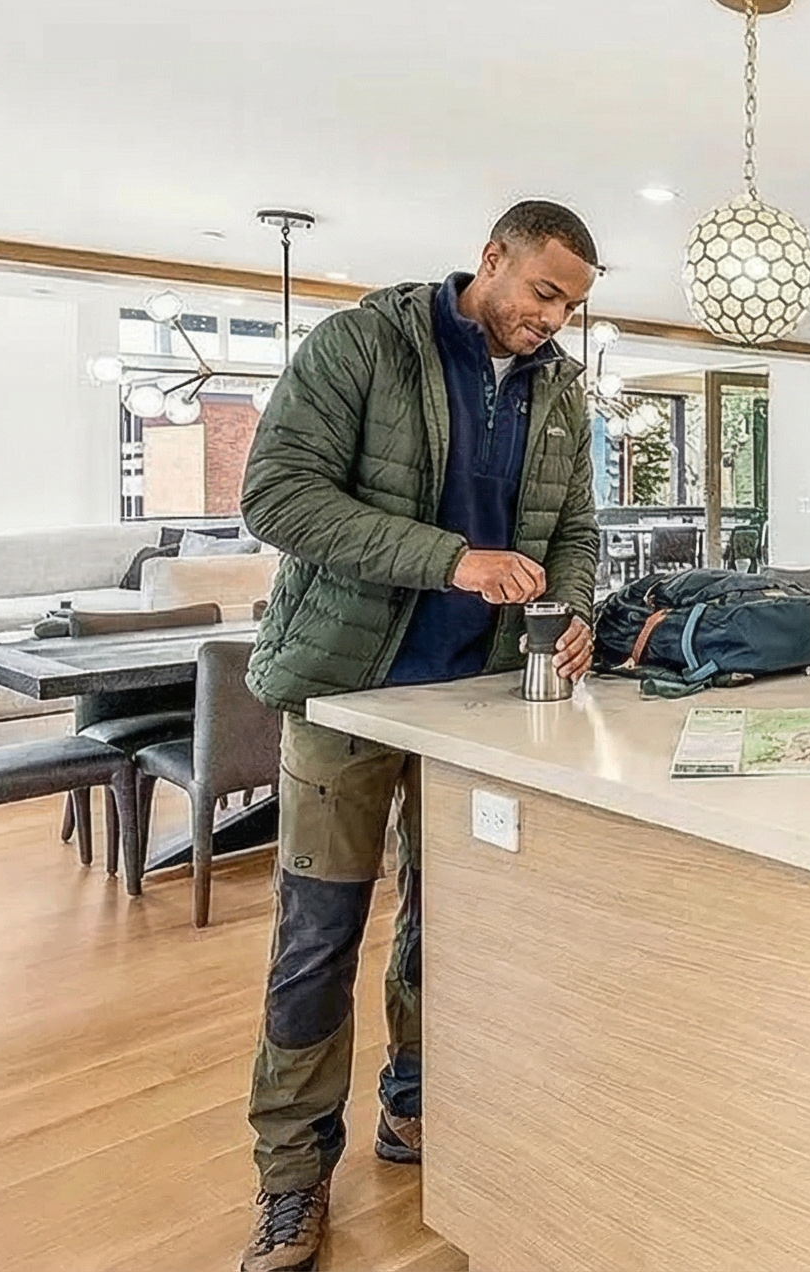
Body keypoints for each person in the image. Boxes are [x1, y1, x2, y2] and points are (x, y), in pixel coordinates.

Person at [232, 199, 604, 1272]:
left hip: (479, 703)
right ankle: (291, 1173)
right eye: (543, 294)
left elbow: (574, 530)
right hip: (347, 693)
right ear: (490, 260)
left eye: (572, 305)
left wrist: (570, 609)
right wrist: (451, 559)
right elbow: (278, 496)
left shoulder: (562, 390)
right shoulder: (361, 345)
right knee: (318, 937)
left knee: (450, 926)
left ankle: (415, 1107)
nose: (555, 322)